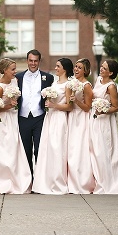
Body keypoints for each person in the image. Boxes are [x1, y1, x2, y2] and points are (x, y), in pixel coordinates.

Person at [32, 58, 73, 195]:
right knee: (48, 148)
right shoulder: (55, 82)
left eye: (58, 66)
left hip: (59, 118)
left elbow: (69, 106)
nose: (55, 68)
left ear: (64, 69)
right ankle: (47, 180)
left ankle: (58, 182)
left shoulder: (68, 85)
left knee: (57, 148)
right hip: (50, 118)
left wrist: (54, 105)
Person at [0, 58, 32, 194]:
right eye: (13, 69)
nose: (15, 72)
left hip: (14, 118)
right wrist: (9, 105)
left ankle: (18, 178)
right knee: (5, 148)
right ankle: (3, 180)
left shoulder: (15, 81)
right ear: (4, 70)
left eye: (15, 69)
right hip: (4, 120)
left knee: (15, 147)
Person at [89, 59, 118, 194]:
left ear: (110, 72)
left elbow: (116, 107)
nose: (101, 69)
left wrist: (103, 110)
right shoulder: (98, 79)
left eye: (104, 68)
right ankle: (96, 179)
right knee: (93, 149)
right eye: (101, 67)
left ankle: (107, 181)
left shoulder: (111, 87)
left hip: (105, 121)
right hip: (93, 118)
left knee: (103, 150)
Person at [16, 49, 55, 175]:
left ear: (39, 61)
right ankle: (29, 179)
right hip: (23, 117)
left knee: (39, 149)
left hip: (40, 117)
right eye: (31, 61)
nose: (33, 63)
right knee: (25, 150)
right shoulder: (18, 77)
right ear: (27, 61)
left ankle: (40, 179)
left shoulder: (48, 77)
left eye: (35, 61)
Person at [67, 58, 95, 194]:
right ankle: (71, 181)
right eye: (75, 67)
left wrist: (76, 101)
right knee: (71, 150)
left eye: (79, 68)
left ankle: (81, 182)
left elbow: (87, 107)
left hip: (81, 119)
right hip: (72, 118)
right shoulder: (73, 83)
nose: (76, 70)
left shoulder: (87, 85)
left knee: (79, 150)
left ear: (85, 70)